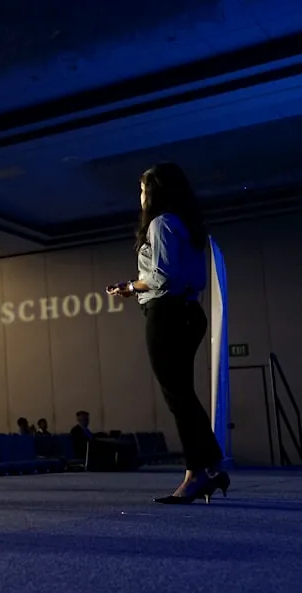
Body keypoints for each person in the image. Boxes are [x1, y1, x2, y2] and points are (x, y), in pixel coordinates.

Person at [107, 163, 228, 504]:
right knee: (184, 396)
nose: (141, 197)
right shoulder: (186, 224)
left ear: (156, 192)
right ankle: (211, 466)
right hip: (189, 313)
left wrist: (129, 285)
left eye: (144, 190)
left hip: (167, 314)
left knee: (178, 399)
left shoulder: (161, 224)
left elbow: (161, 278)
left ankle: (196, 473)